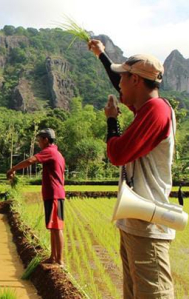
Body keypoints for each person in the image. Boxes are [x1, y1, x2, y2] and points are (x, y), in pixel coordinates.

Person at [88, 39, 175, 298]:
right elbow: (121, 86)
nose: (119, 84)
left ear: (136, 80)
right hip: (135, 221)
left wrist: (112, 120)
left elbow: (117, 153)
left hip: (148, 225)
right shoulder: (145, 108)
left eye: (123, 77)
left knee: (153, 293)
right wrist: (100, 55)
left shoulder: (156, 110)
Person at [6, 128, 65, 266]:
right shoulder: (56, 153)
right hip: (53, 194)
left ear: (46, 140)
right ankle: (53, 257)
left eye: (39, 140)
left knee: (57, 227)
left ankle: (60, 260)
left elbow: (31, 160)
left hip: (54, 194)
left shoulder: (49, 151)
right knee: (53, 227)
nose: (38, 143)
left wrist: (13, 169)